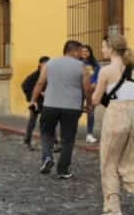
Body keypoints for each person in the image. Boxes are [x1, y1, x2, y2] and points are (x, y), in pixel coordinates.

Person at [30, 40, 91, 179]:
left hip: (50, 105)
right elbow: (87, 88)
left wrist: (33, 100)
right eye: (80, 51)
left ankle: (47, 157)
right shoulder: (81, 66)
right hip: (72, 108)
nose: (82, 54)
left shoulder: (50, 63)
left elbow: (40, 83)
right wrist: (89, 104)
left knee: (46, 133)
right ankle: (63, 170)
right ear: (74, 51)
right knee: (68, 139)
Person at [92, 34, 134, 215]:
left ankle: (113, 210)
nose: (102, 50)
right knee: (129, 162)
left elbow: (95, 99)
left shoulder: (106, 71)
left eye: (104, 47)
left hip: (116, 115)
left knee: (109, 162)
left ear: (111, 49)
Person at [21, 56, 50, 151]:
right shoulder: (34, 76)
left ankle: (51, 142)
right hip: (35, 103)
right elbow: (24, 86)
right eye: (45, 63)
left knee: (47, 122)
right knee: (32, 122)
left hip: (46, 102)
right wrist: (32, 100)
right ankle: (27, 141)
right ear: (40, 64)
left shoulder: (49, 75)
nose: (47, 65)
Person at [81, 44, 101, 143]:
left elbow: (99, 76)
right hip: (80, 90)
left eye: (87, 51)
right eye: (83, 51)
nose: (84, 53)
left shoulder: (95, 63)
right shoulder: (78, 63)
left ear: (90, 52)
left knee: (91, 112)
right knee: (76, 111)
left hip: (91, 91)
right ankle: (71, 132)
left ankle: (89, 134)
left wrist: (95, 83)